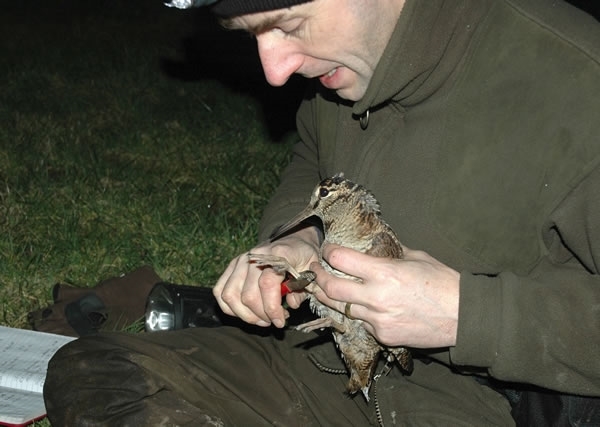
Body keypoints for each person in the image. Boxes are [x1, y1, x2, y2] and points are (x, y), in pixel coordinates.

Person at [44, 0, 600, 425]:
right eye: (253, 35)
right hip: (319, 361)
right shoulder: (342, 65)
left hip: (471, 402)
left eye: (288, 24)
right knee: (94, 373)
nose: (276, 71)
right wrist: (300, 238)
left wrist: (466, 314)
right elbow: (313, 158)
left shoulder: (576, 84)